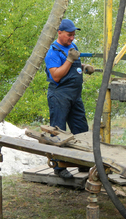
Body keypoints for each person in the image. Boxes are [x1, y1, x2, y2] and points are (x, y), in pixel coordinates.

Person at [44, 19, 94, 178]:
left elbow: (74, 64)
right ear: (59, 33)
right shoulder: (52, 52)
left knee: (81, 129)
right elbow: (57, 76)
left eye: (73, 35)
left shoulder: (72, 47)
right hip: (59, 95)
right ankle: (59, 167)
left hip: (75, 96)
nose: (72, 38)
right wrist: (70, 60)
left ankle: (83, 162)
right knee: (58, 131)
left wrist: (84, 66)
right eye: (69, 35)